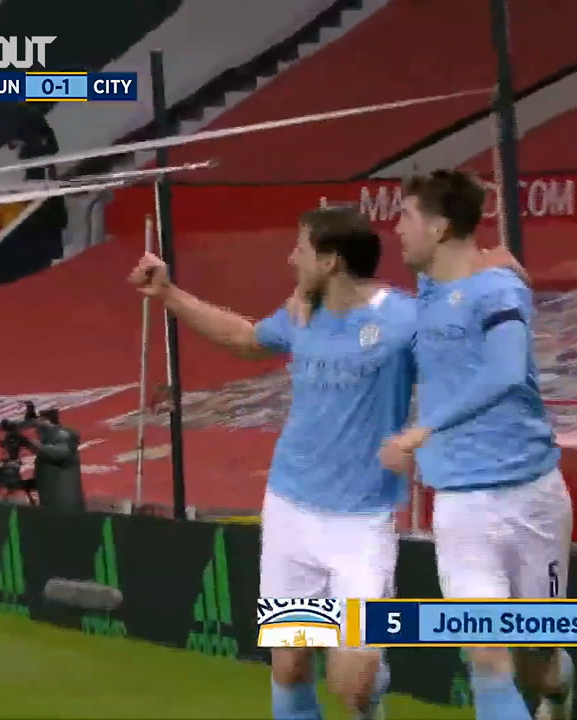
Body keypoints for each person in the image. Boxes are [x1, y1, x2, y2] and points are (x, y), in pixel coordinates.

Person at [127, 207, 415, 720]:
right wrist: (168, 294)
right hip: (291, 510)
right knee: (290, 666)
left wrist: (420, 435)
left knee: (354, 680)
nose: (291, 258)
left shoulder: (402, 319)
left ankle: (368, 692)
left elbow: (462, 370)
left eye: (301, 248)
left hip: (362, 522)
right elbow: (245, 338)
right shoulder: (304, 312)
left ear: (329, 260)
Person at [380, 170, 575, 720]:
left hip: (530, 496)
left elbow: (507, 372)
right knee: (485, 652)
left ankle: (558, 691)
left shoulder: (498, 289)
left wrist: (427, 427)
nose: (397, 229)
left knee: (538, 655)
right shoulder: (424, 297)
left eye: (406, 216)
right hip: (460, 504)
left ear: (439, 227)